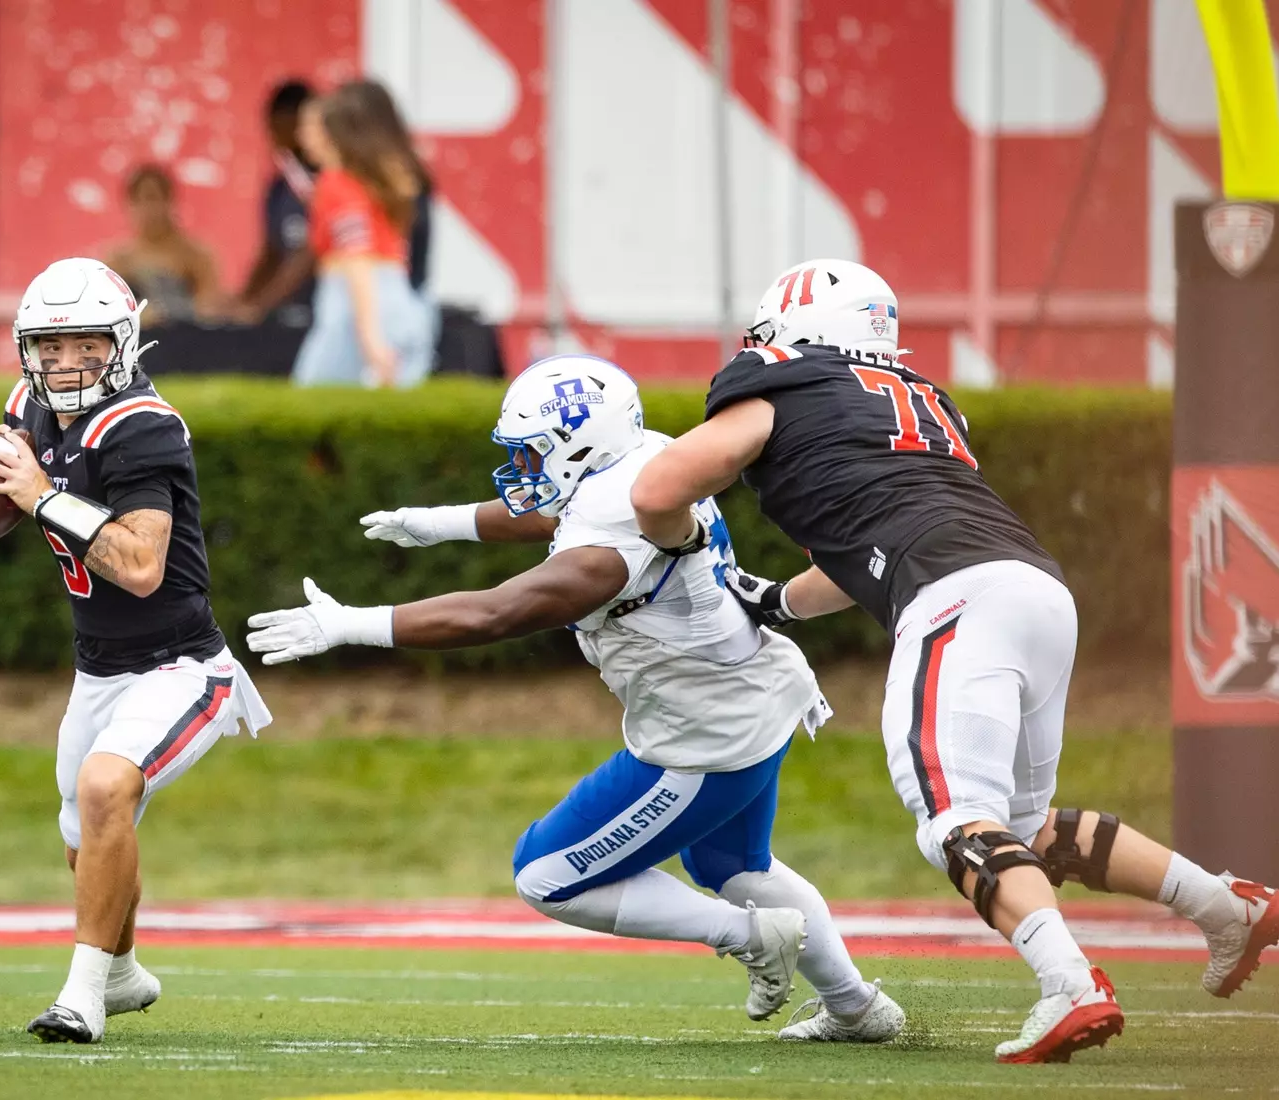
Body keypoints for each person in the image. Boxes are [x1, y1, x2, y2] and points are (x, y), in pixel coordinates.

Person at [627, 258, 1279, 1064]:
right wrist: (770, 602)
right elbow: (857, 553)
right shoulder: (922, 402)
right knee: (1020, 826)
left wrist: (684, 551)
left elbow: (658, 490)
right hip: (1035, 590)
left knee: (955, 822)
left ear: (795, 330)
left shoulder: (781, 381)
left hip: (955, 599)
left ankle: (1069, 985)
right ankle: (1224, 905)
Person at [245, 354, 905, 1043]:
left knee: (546, 874)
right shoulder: (647, 459)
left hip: (705, 734)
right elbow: (555, 511)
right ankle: (858, 1007)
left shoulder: (606, 556)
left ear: (582, 446)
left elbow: (493, 614)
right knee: (733, 865)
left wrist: (351, 624)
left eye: (534, 453)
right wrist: (439, 522)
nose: (523, 469)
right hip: (752, 688)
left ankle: (748, 936)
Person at [0, 257, 272, 1043]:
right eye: (49, 348)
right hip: (96, 668)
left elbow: (138, 567)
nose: (65, 364)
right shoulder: (30, 404)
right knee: (82, 830)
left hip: (182, 665)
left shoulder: (141, 425)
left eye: (85, 346)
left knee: (104, 788)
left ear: (121, 344)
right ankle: (123, 973)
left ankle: (80, 998)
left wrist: (38, 495)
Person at [290, 80, 435, 388]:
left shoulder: (336, 185)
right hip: (399, 305)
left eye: (312, 126)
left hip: (355, 309)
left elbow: (357, 258)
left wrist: (370, 338)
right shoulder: (378, 185)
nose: (302, 137)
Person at [227, 80, 317, 326]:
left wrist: (261, 305)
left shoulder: (332, 181)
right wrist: (243, 301)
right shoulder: (280, 188)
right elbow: (272, 252)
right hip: (289, 313)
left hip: (326, 310)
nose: (272, 135)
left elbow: (311, 252)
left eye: (277, 125)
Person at [105, 164, 220, 327]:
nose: (148, 208)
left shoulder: (195, 256)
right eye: (139, 200)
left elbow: (210, 308)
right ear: (129, 205)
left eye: (153, 198)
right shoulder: (118, 261)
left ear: (169, 201)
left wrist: (171, 311)